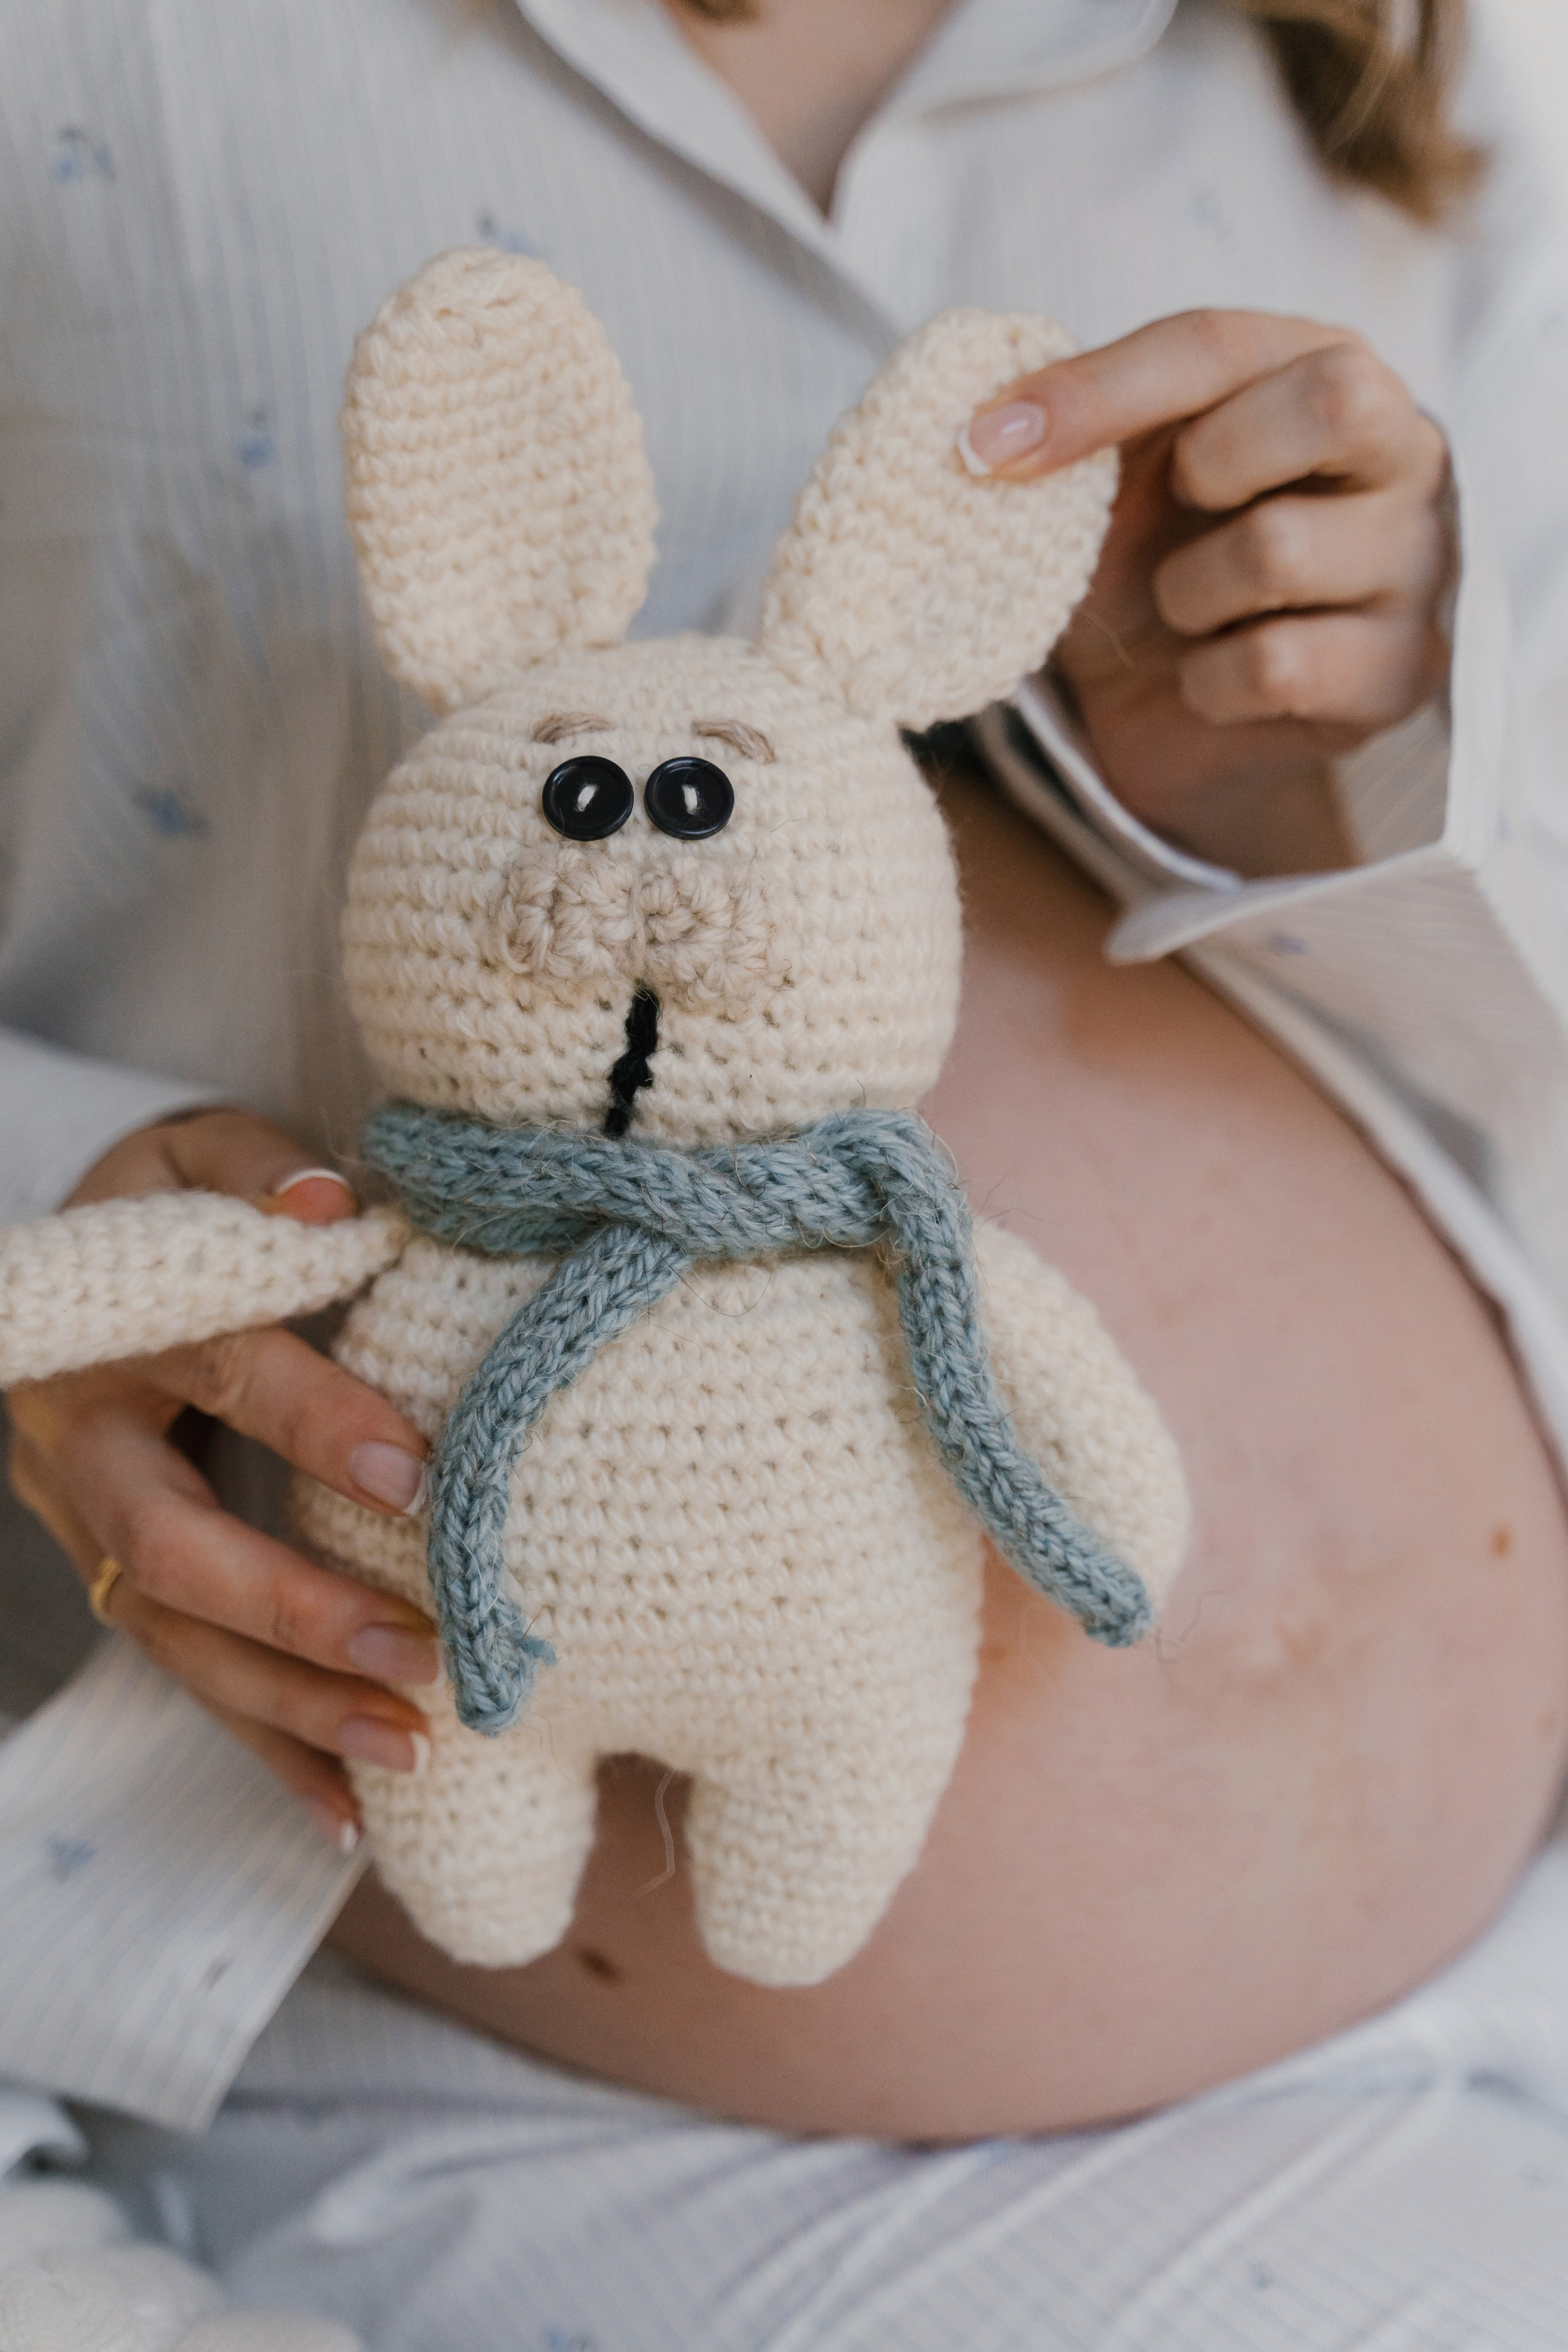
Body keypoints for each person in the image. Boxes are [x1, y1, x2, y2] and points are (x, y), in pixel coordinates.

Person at [3, 0, 1568, 2341]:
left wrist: (1296, 773)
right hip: (593, 2129)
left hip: (1519, 1956)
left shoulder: (1372, 63)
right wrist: (46, 1216)